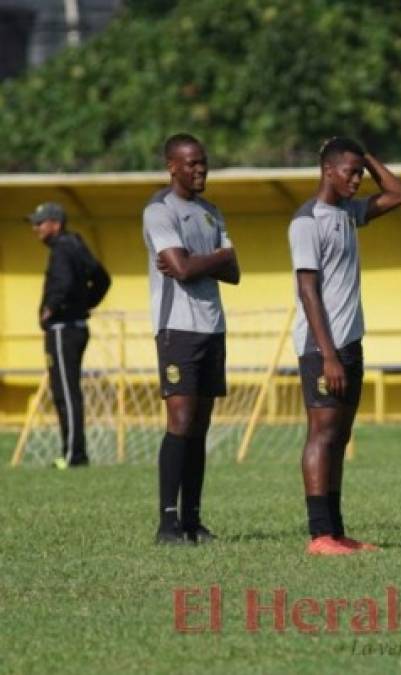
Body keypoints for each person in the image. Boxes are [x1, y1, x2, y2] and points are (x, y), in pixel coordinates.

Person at [289, 137, 401, 555]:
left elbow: (399, 194)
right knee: (321, 435)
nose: (357, 179)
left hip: (350, 344)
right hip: (322, 348)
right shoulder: (308, 221)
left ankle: (337, 533)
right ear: (327, 171)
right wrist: (328, 356)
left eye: (360, 173)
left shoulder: (348, 213)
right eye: (349, 172)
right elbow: (308, 291)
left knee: (339, 436)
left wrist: (366, 153)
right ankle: (319, 535)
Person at [142, 133, 240, 545]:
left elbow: (233, 271)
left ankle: (192, 520)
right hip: (177, 329)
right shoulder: (159, 210)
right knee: (180, 421)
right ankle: (167, 523)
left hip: (212, 326)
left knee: (200, 425)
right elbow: (179, 269)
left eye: (203, 162)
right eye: (191, 163)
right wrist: (214, 259)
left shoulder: (211, 212)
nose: (200, 170)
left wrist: (209, 260)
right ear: (172, 166)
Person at [28, 202, 110, 469]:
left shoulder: (62, 248)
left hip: (64, 329)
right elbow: (102, 278)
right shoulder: (76, 245)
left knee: (65, 391)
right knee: (66, 389)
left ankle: (74, 454)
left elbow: (62, 284)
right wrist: (86, 303)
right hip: (76, 327)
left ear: (55, 223)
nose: (36, 228)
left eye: (40, 223)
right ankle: (73, 451)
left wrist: (50, 310)